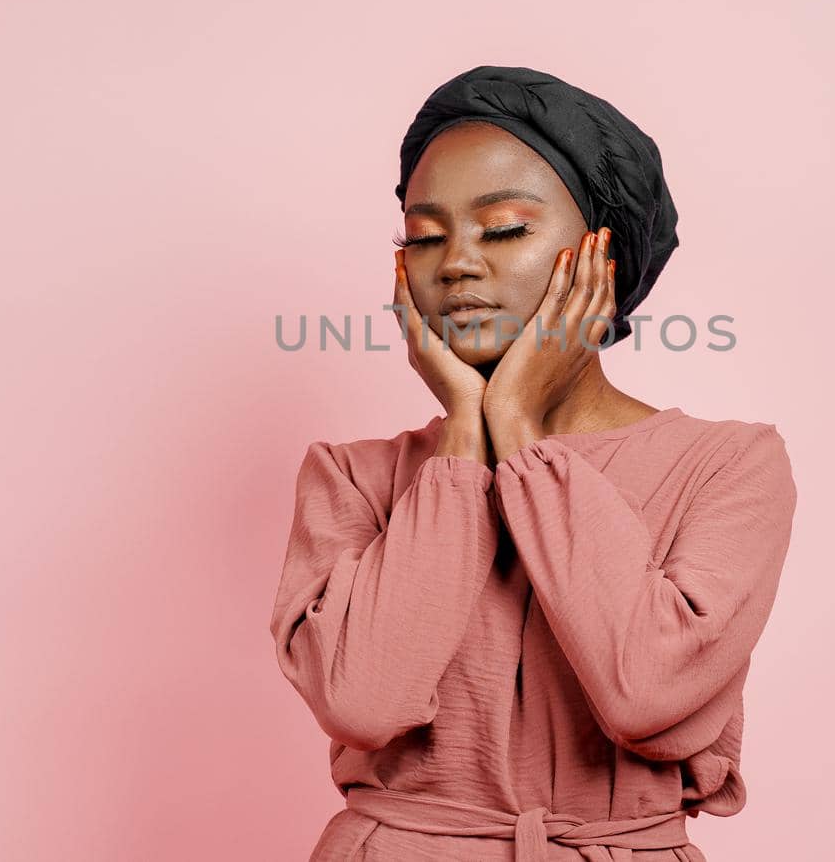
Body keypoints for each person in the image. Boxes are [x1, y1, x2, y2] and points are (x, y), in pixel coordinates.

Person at [269, 65, 799, 861]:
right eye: (422, 235)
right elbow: (364, 699)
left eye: (505, 228)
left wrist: (515, 425)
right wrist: (464, 435)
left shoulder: (727, 464)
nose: (454, 265)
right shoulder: (350, 477)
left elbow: (645, 691)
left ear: (603, 258)